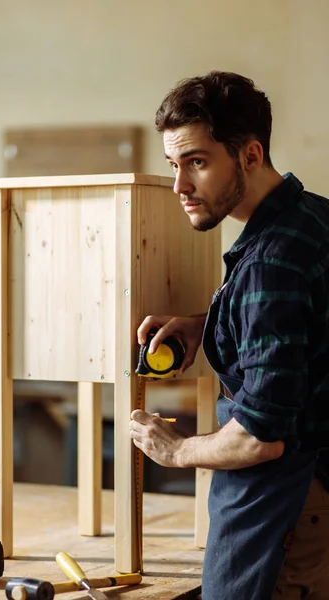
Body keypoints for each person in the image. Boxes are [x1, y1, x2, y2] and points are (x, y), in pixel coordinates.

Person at [129, 71, 329, 600]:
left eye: (197, 162)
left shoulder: (270, 263)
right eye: (174, 165)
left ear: (250, 154)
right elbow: (309, 331)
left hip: (286, 513)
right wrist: (212, 322)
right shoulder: (314, 217)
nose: (179, 186)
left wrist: (173, 450)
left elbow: (260, 438)